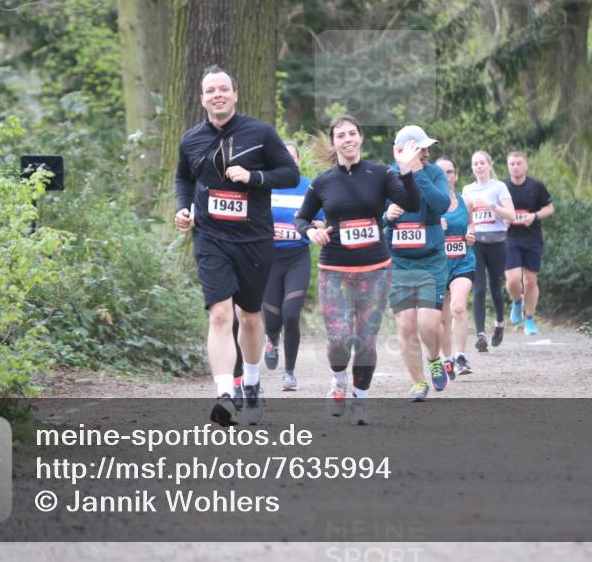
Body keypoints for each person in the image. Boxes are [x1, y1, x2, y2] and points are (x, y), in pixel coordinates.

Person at [174, 65, 299, 426]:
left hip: (254, 238)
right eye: (210, 90)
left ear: (235, 95)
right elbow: (183, 177)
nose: (217, 95)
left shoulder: (260, 133)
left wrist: (254, 177)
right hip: (211, 237)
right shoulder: (191, 139)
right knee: (220, 314)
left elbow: (289, 173)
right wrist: (183, 208)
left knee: (250, 316)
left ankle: (254, 383)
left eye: (223, 89)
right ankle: (225, 393)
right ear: (202, 99)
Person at [294, 116, 422, 424]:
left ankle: (360, 401)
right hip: (334, 270)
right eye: (341, 135)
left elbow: (412, 203)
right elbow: (301, 218)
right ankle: (338, 383)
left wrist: (405, 171)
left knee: (365, 341)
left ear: (361, 138)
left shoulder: (380, 173)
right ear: (334, 141)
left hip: (375, 270)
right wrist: (310, 232)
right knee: (338, 339)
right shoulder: (323, 181)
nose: (348, 139)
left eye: (353, 133)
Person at [384, 125, 452, 402]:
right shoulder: (386, 176)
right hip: (398, 261)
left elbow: (441, 205)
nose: (426, 152)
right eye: (419, 148)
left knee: (428, 323)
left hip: (431, 260)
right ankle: (417, 382)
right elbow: (369, 214)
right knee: (405, 326)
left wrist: (418, 173)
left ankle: (435, 358)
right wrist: (385, 214)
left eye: (426, 148)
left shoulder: (433, 172)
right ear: (400, 151)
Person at [262, 141, 323, 391]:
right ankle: (272, 339)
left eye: (291, 157)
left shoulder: (308, 187)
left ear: (297, 162)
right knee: (273, 318)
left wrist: (313, 229)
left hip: (297, 257)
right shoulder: (264, 187)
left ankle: (289, 373)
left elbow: (319, 221)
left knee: (291, 313)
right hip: (269, 259)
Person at [460, 151, 515, 351]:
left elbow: (511, 215)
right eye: (475, 163)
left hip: (497, 241)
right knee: (479, 287)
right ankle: (481, 335)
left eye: (482, 162)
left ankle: (500, 323)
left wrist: (491, 205)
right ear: (472, 167)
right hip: (477, 242)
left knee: (495, 287)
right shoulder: (467, 190)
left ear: (489, 165)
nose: (479, 166)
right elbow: (463, 217)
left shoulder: (499, 187)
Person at [502, 151, 554, 336]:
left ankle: (530, 319)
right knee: (513, 279)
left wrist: (534, 216)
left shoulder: (536, 186)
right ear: (508, 166)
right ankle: (517, 302)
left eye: (518, 163)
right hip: (509, 238)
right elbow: (492, 209)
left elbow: (550, 208)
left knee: (530, 281)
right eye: (512, 164)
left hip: (532, 238)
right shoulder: (502, 187)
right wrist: (504, 218)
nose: (515, 167)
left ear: (525, 165)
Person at [436, 157, 477, 378]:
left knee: (458, 307)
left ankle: (461, 357)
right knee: (442, 318)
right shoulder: (428, 203)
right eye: (441, 172)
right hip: (439, 264)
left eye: (449, 172)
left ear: (456, 175)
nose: (445, 176)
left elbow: (470, 223)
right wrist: (433, 226)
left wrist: (472, 234)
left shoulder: (466, 201)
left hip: (463, 261)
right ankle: (447, 358)